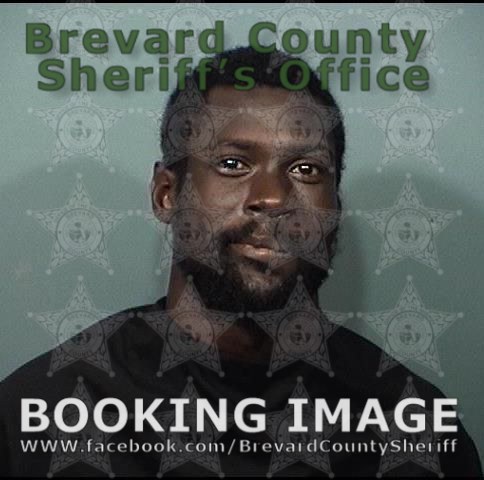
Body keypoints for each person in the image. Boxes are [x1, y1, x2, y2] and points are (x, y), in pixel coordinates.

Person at [0, 47, 481, 478]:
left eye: (306, 169)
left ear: (336, 208)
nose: (272, 198)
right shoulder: (41, 414)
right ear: (167, 194)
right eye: (232, 164)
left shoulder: (415, 431)